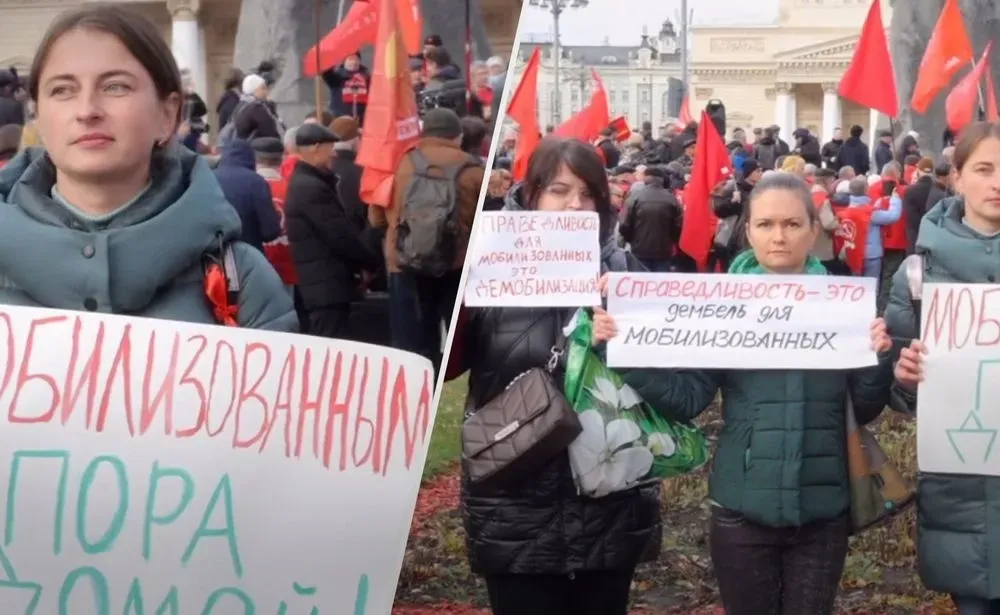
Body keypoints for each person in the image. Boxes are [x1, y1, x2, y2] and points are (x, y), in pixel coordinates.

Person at [608, 172, 893, 615]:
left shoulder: (844, 306)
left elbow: (866, 407)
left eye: (792, 224)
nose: (778, 236)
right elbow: (689, 398)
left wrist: (878, 357)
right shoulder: (724, 307)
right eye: (765, 225)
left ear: (813, 229)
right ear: (748, 230)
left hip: (822, 512)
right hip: (741, 510)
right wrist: (624, 353)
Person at [445, 137, 658, 615]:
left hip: (608, 498)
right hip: (514, 496)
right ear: (532, 194)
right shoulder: (490, 266)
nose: (575, 205)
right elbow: (450, 365)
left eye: (588, 194)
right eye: (560, 191)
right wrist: (459, 289)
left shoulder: (623, 270)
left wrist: (622, 325)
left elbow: (665, 382)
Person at [0, 4, 295, 330]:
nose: (87, 111)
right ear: (38, 116)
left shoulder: (239, 278)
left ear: (167, 115)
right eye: (62, 90)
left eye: (115, 86)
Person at [885, 121, 1000, 615]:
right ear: (956, 177)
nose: (998, 182)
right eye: (984, 169)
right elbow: (893, 388)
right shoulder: (917, 275)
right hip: (962, 492)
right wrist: (905, 377)